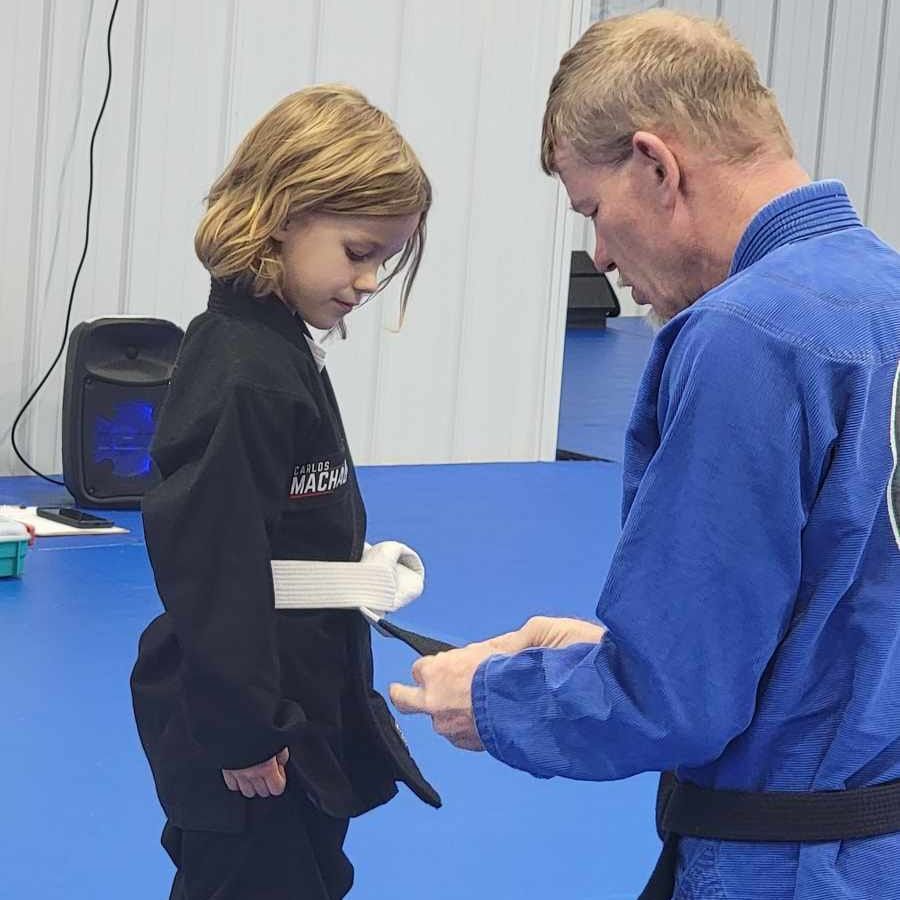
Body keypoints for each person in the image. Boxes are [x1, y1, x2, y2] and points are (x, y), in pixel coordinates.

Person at [390, 9, 900, 899]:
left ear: (656, 166)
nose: (601, 254)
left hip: (794, 865)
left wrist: (501, 697)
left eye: (593, 209)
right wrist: (601, 646)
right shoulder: (883, 298)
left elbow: (674, 700)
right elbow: (849, 606)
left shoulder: (747, 337)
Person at [130, 84, 440, 900]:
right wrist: (242, 732)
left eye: (386, 260)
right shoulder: (241, 372)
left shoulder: (282, 352)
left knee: (308, 874)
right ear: (281, 214)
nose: (369, 281)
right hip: (248, 725)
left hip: (300, 687)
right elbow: (210, 559)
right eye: (357, 250)